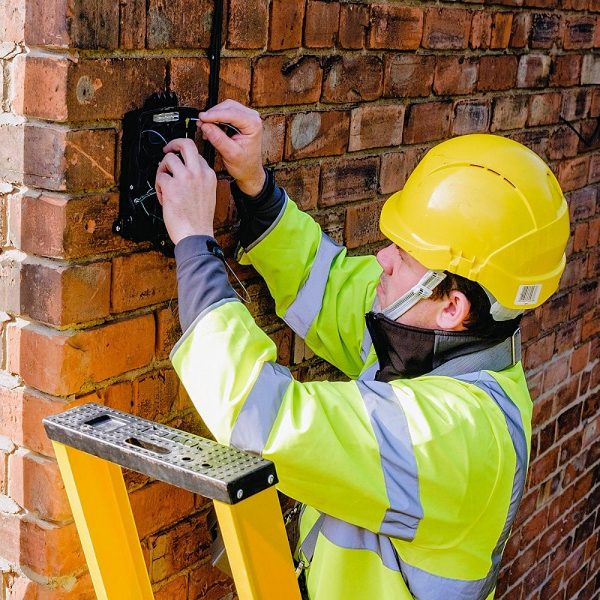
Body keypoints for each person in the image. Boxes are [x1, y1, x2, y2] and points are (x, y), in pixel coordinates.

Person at [155, 100, 570, 600]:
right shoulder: (430, 339)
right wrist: (256, 186)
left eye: (406, 255)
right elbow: (328, 286)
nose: (383, 259)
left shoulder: (456, 438)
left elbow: (262, 420)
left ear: (452, 306)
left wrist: (194, 240)